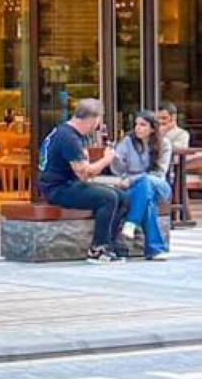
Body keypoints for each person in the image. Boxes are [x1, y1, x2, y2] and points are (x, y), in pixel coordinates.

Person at [37, 97, 124, 261]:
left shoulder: (73, 134)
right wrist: (106, 159)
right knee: (108, 198)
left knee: (122, 197)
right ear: (94, 119)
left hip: (69, 184)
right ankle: (98, 248)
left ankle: (110, 243)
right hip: (57, 189)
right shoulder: (68, 137)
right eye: (99, 120)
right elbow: (84, 174)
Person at [112, 109, 172, 260]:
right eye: (136, 124)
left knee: (145, 183)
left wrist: (133, 179)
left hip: (158, 185)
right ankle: (154, 249)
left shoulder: (164, 144)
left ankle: (131, 221)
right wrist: (115, 159)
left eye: (143, 125)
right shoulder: (127, 142)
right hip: (135, 189)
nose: (138, 128)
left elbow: (159, 173)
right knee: (147, 202)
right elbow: (117, 169)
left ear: (152, 128)